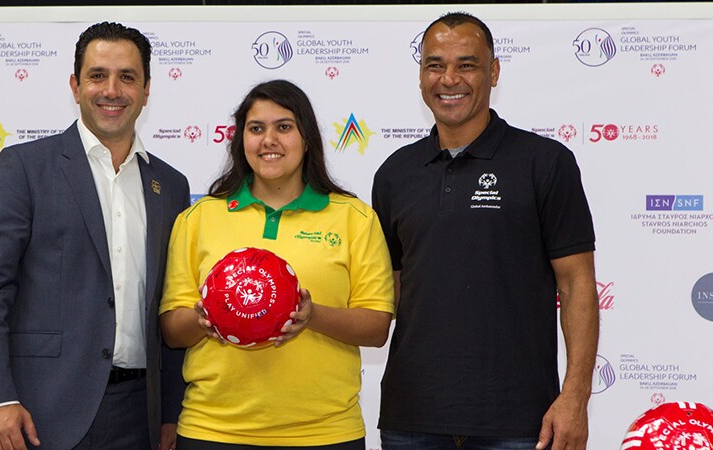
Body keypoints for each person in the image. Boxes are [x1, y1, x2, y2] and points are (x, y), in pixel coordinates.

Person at [372, 12, 599, 450]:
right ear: (420, 76)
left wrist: (575, 399)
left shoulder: (545, 162)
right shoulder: (394, 173)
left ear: (493, 72)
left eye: (467, 64)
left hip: (519, 421)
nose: (449, 79)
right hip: (411, 418)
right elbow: (389, 290)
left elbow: (577, 284)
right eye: (435, 65)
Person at [0, 22, 189, 450]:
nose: (112, 90)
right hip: (36, 412)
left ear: (147, 88)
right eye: (97, 75)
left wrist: (171, 414)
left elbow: (172, 303)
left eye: (127, 77)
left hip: (141, 415)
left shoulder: (171, 185)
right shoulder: (24, 168)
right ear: (75, 84)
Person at [159, 79, 395, 449]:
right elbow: (172, 330)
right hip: (213, 430)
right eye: (256, 128)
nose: (269, 140)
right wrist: (203, 318)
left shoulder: (353, 218)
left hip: (325, 433)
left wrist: (311, 315)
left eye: (284, 127)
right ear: (241, 141)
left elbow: (377, 325)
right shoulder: (199, 218)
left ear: (307, 138)